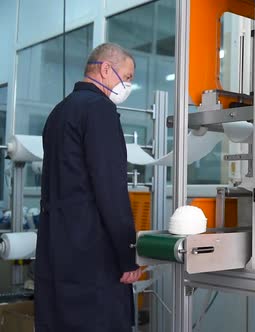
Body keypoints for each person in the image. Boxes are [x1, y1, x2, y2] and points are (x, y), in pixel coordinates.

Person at [35, 42, 143, 331]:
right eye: (128, 76)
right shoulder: (99, 110)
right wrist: (127, 256)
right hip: (94, 256)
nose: (128, 84)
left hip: (56, 250)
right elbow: (111, 189)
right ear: (106, 69)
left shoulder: (59, 112)